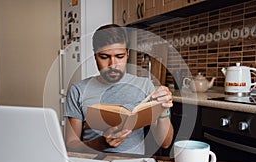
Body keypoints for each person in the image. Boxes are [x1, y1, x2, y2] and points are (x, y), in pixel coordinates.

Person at [65, 24, 174, 155]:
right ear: (95, 56)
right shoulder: (78, 90)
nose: (113, 65)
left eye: (119, 56)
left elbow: (165, 143)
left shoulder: (145, 86)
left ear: (127, 54)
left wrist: (163, 111)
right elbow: (71, 145)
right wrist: (102, 143)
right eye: (104, 57)